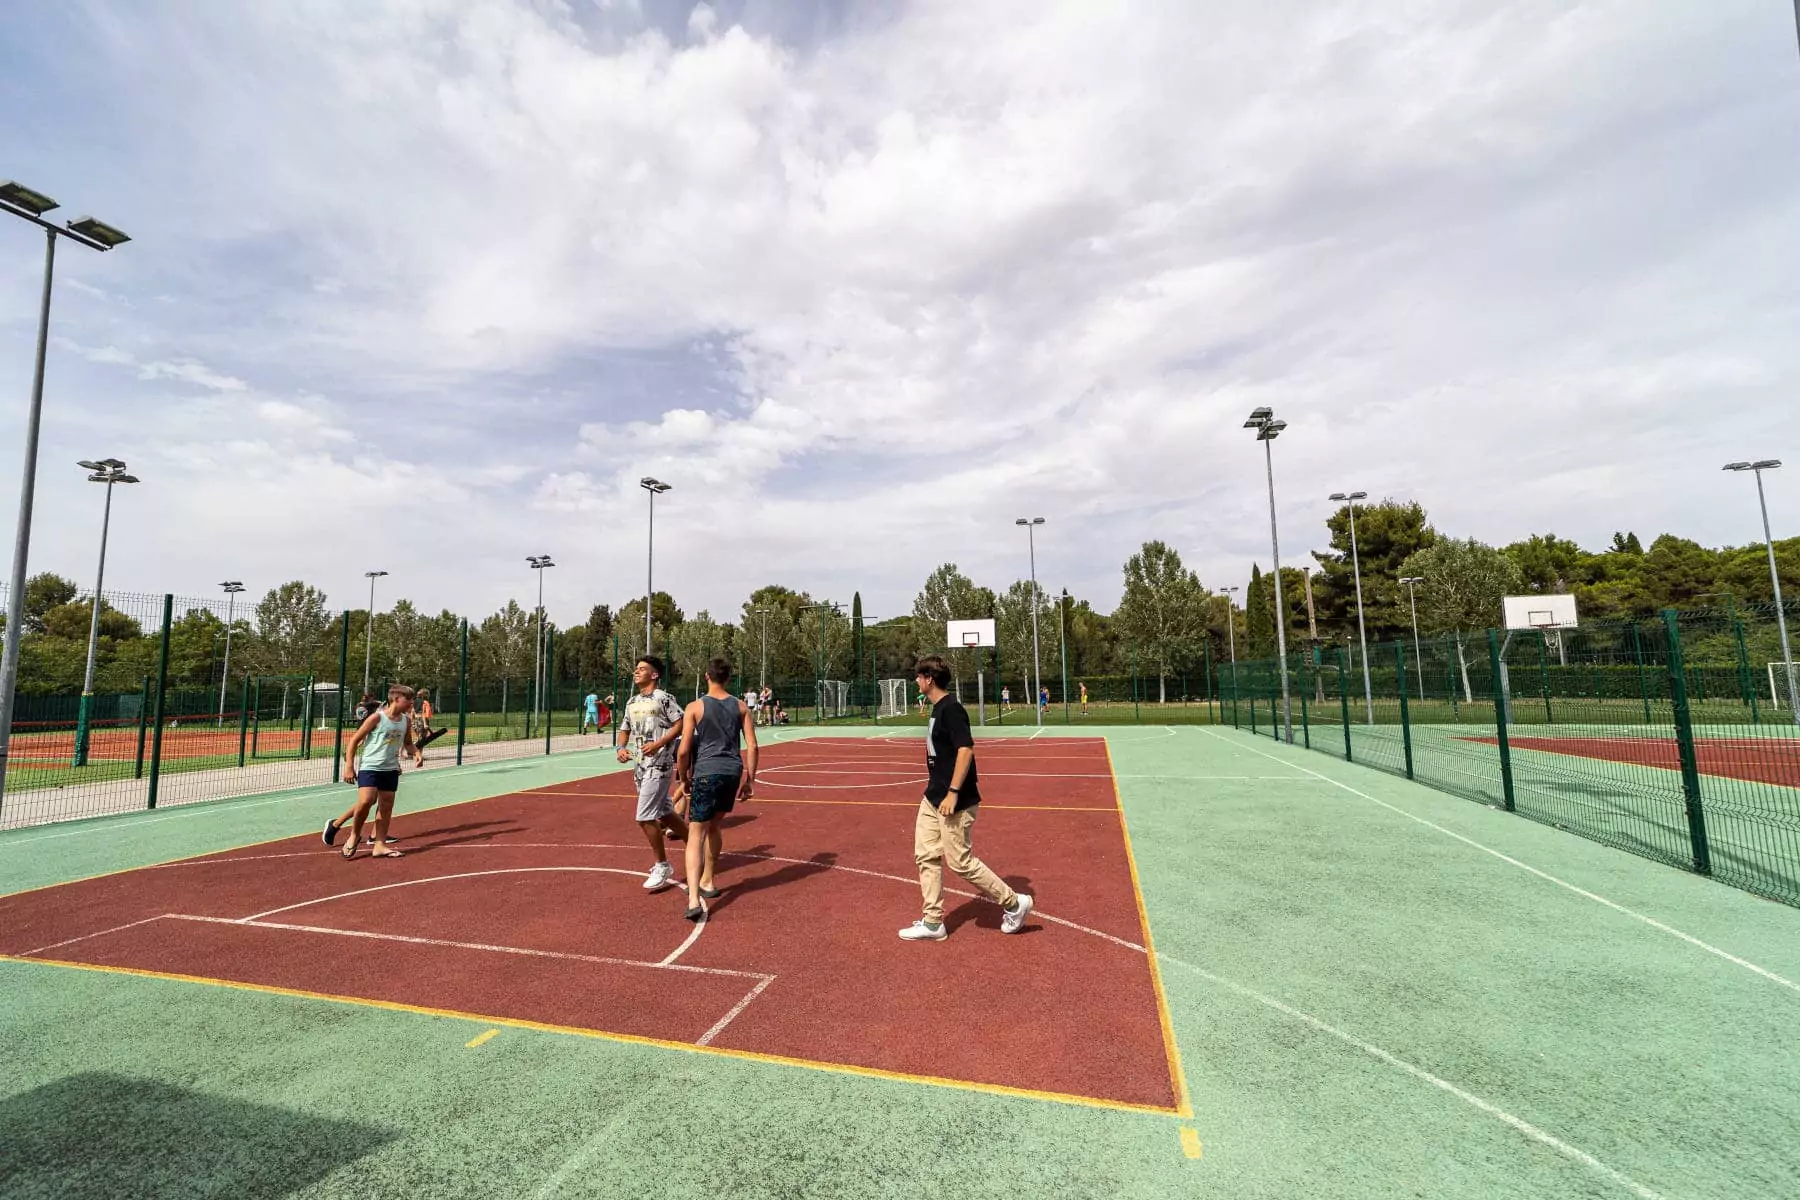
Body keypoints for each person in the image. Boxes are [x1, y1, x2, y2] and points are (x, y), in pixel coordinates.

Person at [900, 655, 1033, 941]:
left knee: (960, 862)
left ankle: (1014, 902)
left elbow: (965, 750)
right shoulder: (937, 709)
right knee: (925, 855)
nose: (916, 681)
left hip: (954, 801)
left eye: (919, 677)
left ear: (929, 679)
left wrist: (952, 792)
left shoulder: (952, 709)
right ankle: (933, 922)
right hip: (932, 797)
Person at [675, 657, 757, 921]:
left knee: (696, 832)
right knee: (715, 826)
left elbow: (684, 749)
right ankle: (708, 881)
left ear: (706, 676)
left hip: (707, 771)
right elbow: (753, 746)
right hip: (732, 771)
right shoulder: (741, 706)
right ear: (728, 678)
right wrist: (750, 780)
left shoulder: (695, 707)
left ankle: (692, 898)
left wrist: (683, 777)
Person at [324, 684, 422, 859]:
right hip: (370, 766)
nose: (411, 703)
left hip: (390, 768)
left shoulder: (406, 721)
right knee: (366, 801)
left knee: (386, 806)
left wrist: (416, 753)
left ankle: (379, 844)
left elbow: (408, 743)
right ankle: (354, 835)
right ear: (397, 699)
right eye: (409, 699)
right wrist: (349, 767)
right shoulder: (377, 718)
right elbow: (354, 741)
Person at [617, 656, 689, 892]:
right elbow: (624, 730)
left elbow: (680, 723)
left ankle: (662, 865)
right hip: (639, 766)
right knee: (666, 813)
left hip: (659, 765)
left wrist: (660, 743)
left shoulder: (663, 698)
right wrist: (621, 748)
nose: (636, 672)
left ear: (654, 674)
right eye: (636, 669)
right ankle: (696, 845)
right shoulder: (631, 701)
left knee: (644, 817)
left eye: (642, 669)